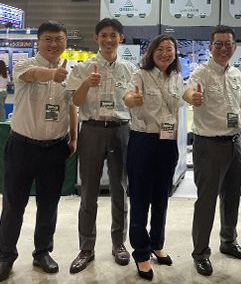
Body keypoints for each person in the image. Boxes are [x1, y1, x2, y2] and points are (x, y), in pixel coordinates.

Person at [0, 21, 77, 282]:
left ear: (65, 41)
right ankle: (5, 255)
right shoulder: (24, 65)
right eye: (48, 39)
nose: (54, 44)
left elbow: (72, 107)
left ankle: (42, 252)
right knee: (13, 204)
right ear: (38, 42)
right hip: (22, 146)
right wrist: (52, 74)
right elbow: (32, 75)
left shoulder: (71, 71)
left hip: (55, 148)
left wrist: (74, 138)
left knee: (48, 204)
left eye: (59, 39)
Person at [66, 18, 136, 273]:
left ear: (121, 39)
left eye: (113, 35)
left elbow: (133, 101)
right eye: (104, 35)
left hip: (120, 130)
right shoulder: (82, 68)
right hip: (92, 130)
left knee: (120, 189)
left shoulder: (130, 70)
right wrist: (87, 83)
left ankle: (119, 243)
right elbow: (75, 101)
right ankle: (86, 247)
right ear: (96, 38)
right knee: (88, 192)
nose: (109, 40)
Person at [183, 25, 241, 277]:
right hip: (208, 145)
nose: (223, 48)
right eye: (218, 44)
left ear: (234, 47)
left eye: (228, 44)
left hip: (234, 143)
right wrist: (193, 97)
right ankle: (200, 253)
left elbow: (240, 107)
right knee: (207, 201)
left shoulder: (236, 73)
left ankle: (228, 241)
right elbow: (189, 92)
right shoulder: (201, 72)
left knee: (232, 198)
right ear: (210, 47)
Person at [123, 35, 184, 281]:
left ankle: (157, 243)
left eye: (170, 49)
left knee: (161, 198)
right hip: (143, 141)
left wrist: (174, 142)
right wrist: (133, 99)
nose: (165, 53)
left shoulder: (177, 78)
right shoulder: (140, 74)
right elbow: (128, 97)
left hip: (167, 143)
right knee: (140, 199)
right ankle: (141, 252)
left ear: (175, 53)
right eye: (160, 49)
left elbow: (176, 109)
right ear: (151, 52)